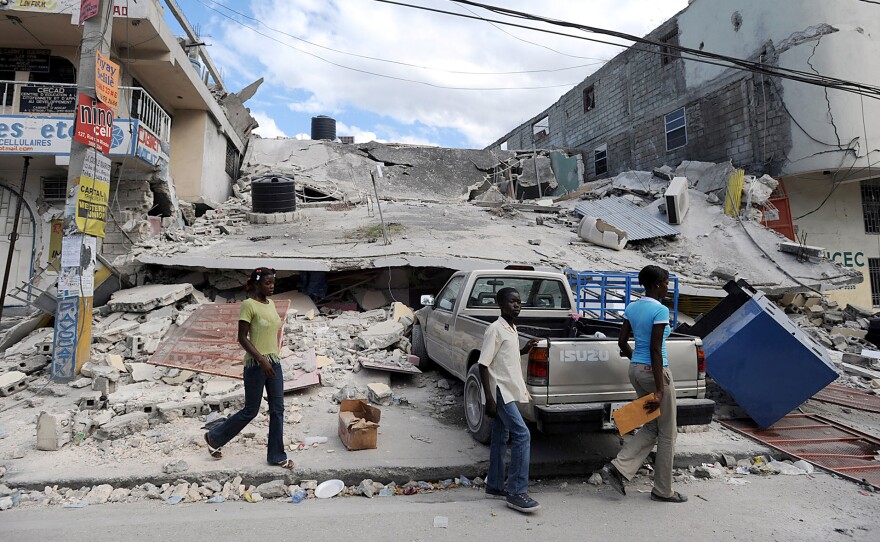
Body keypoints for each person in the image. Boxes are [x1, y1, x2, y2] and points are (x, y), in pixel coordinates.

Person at [600, 265, 686, 502]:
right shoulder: (659, 310)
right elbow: (655, 349)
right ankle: (662, 490)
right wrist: (660, 389)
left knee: (650, 426)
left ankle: (618, 468)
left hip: (635, 370)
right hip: (655, 373)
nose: (668, 286)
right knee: (668, 433)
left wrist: (636, 361)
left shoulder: (632, 307)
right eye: (667, 282)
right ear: (657, 284)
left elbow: (621, 341)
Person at [204, 267, 294, 469]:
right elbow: (242, 338)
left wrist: (272, 357)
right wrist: (262, 360)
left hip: (274, 362)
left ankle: (277, 456)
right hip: (256, 365)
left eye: (272, 283)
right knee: (251, 411)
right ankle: (214, 437)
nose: (271, 286)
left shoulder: (270, 304)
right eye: (267, 283)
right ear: (256, 284)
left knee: (278, 409)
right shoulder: (248, 305)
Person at [478, 287, 540, 513]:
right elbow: (483, 364)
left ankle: (494, 485)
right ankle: (516, 492)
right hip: (499, 391)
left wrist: (524, 349)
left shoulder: (512, 328)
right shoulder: (495, 329)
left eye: (519, 302)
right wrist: (488, 399)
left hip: (508, 389)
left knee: (501, 436)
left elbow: (505, 357)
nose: (517, 305)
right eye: (512, 302)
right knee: (522, 434)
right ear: (501, 305)